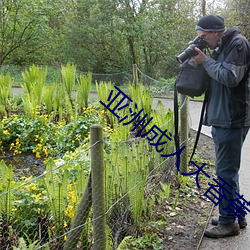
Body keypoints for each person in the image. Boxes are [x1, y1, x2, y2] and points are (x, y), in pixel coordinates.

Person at [192, 15, 250, 238]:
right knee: (228, 171)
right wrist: (202, 60)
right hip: (223, 117)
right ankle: (237, 215)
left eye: (204, 37)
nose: (203, 41)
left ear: (216, 32)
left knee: (226, 172)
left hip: (232, 118)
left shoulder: (237, 44)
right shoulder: (221, 46)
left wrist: (205, 61)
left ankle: (228, 223)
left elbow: (229, 77)